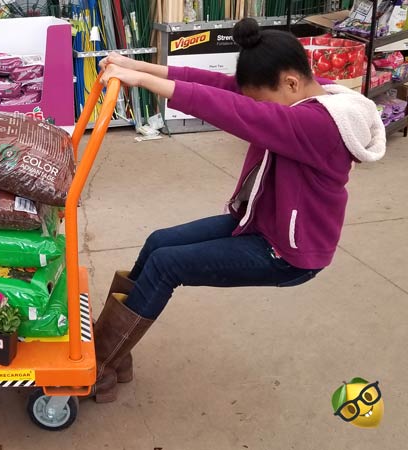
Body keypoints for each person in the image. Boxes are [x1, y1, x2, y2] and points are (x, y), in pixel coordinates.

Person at [90, 18, 386, 403]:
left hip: (288, 252)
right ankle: (116, 357)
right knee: (158, 243)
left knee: (167, 265)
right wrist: (136, 66)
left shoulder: (321, 124)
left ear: (292, 83)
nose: (256, 105)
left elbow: (234, 110)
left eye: (261, 99)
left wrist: (143, 82)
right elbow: (218, 87)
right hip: (258, 222)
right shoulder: (303, 93)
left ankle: (96, 366)